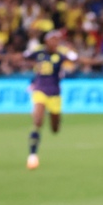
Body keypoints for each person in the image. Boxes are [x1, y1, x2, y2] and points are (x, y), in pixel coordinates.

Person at [26, 31, 78, 169]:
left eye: (57, 40)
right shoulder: (38, 53)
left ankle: (52, 117)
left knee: (55, 129)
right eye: (53, 40)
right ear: (46, 41)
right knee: (37, 121)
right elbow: (21, 57)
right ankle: (32, 155)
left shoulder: (61, 54)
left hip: (55, 94)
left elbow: (76, 59)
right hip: (40, 90)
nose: (55, 43)